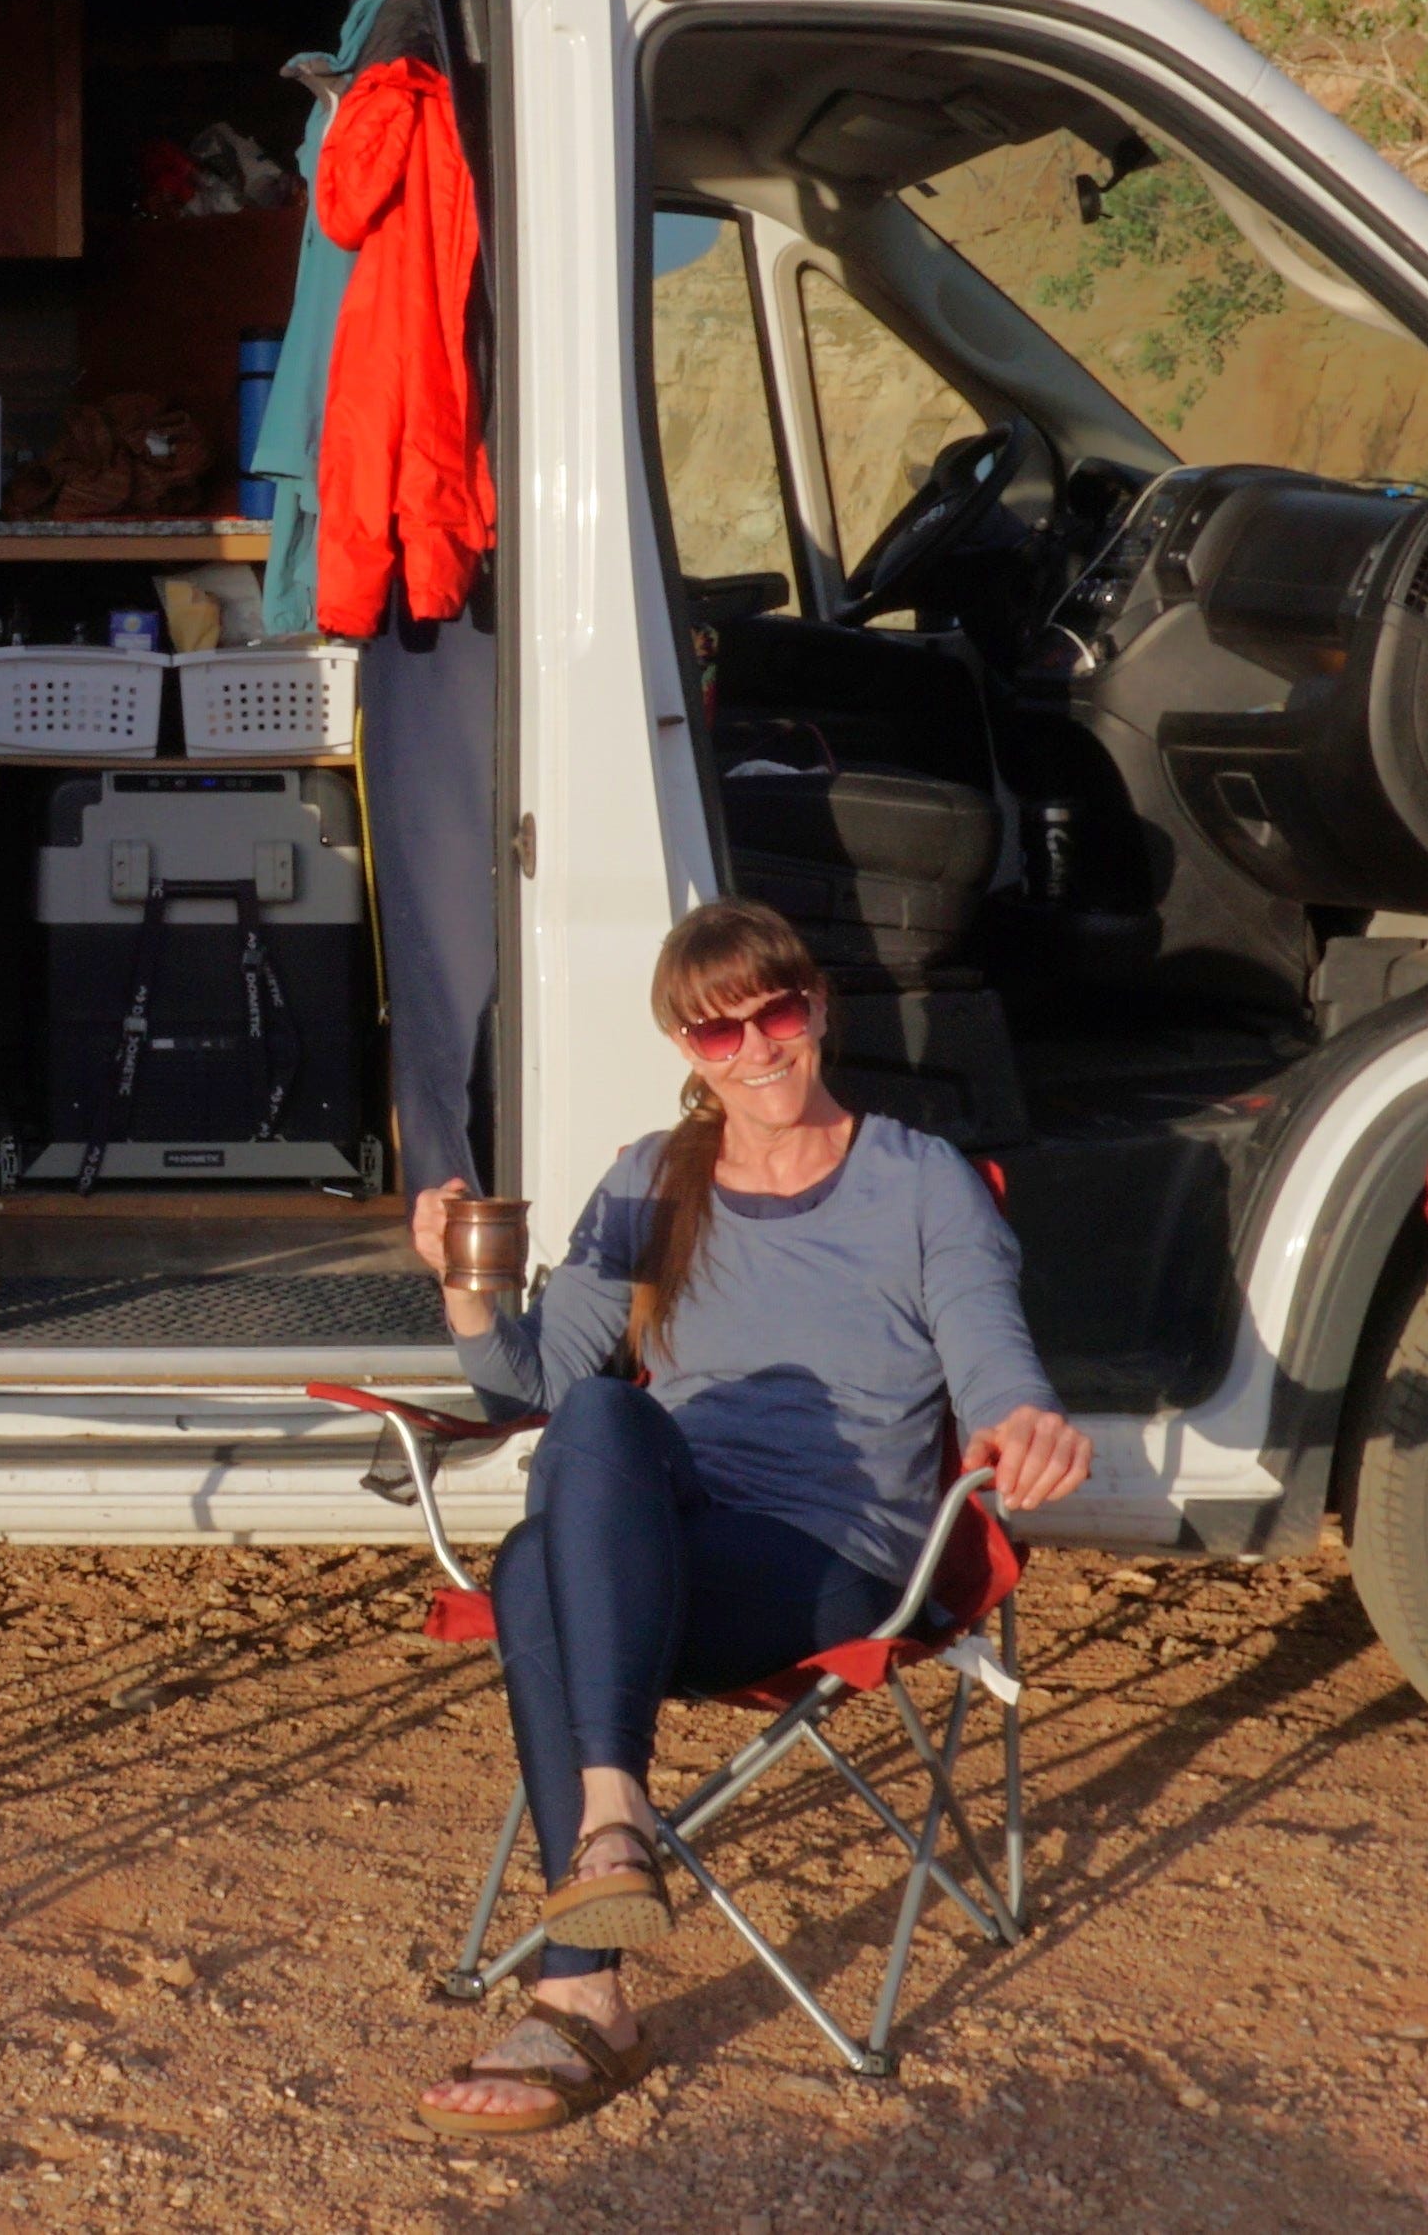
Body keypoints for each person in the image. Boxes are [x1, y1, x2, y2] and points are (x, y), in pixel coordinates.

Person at [406, 898, 1088, 2138]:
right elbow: (535, 1390)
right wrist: (463, 1282)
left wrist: (1023, 1418)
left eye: (774, 1013)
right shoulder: (647, 1181)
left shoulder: (918, 1179)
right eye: (717, 1034)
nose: (756, 1050)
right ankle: (608, 1849)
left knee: (530, 1567)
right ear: (686, 1049)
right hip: (668, 1541)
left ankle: (584, 1980)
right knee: (600, 1429)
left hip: (837, 1559)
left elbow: (993, 1350)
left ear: (816, 1007)